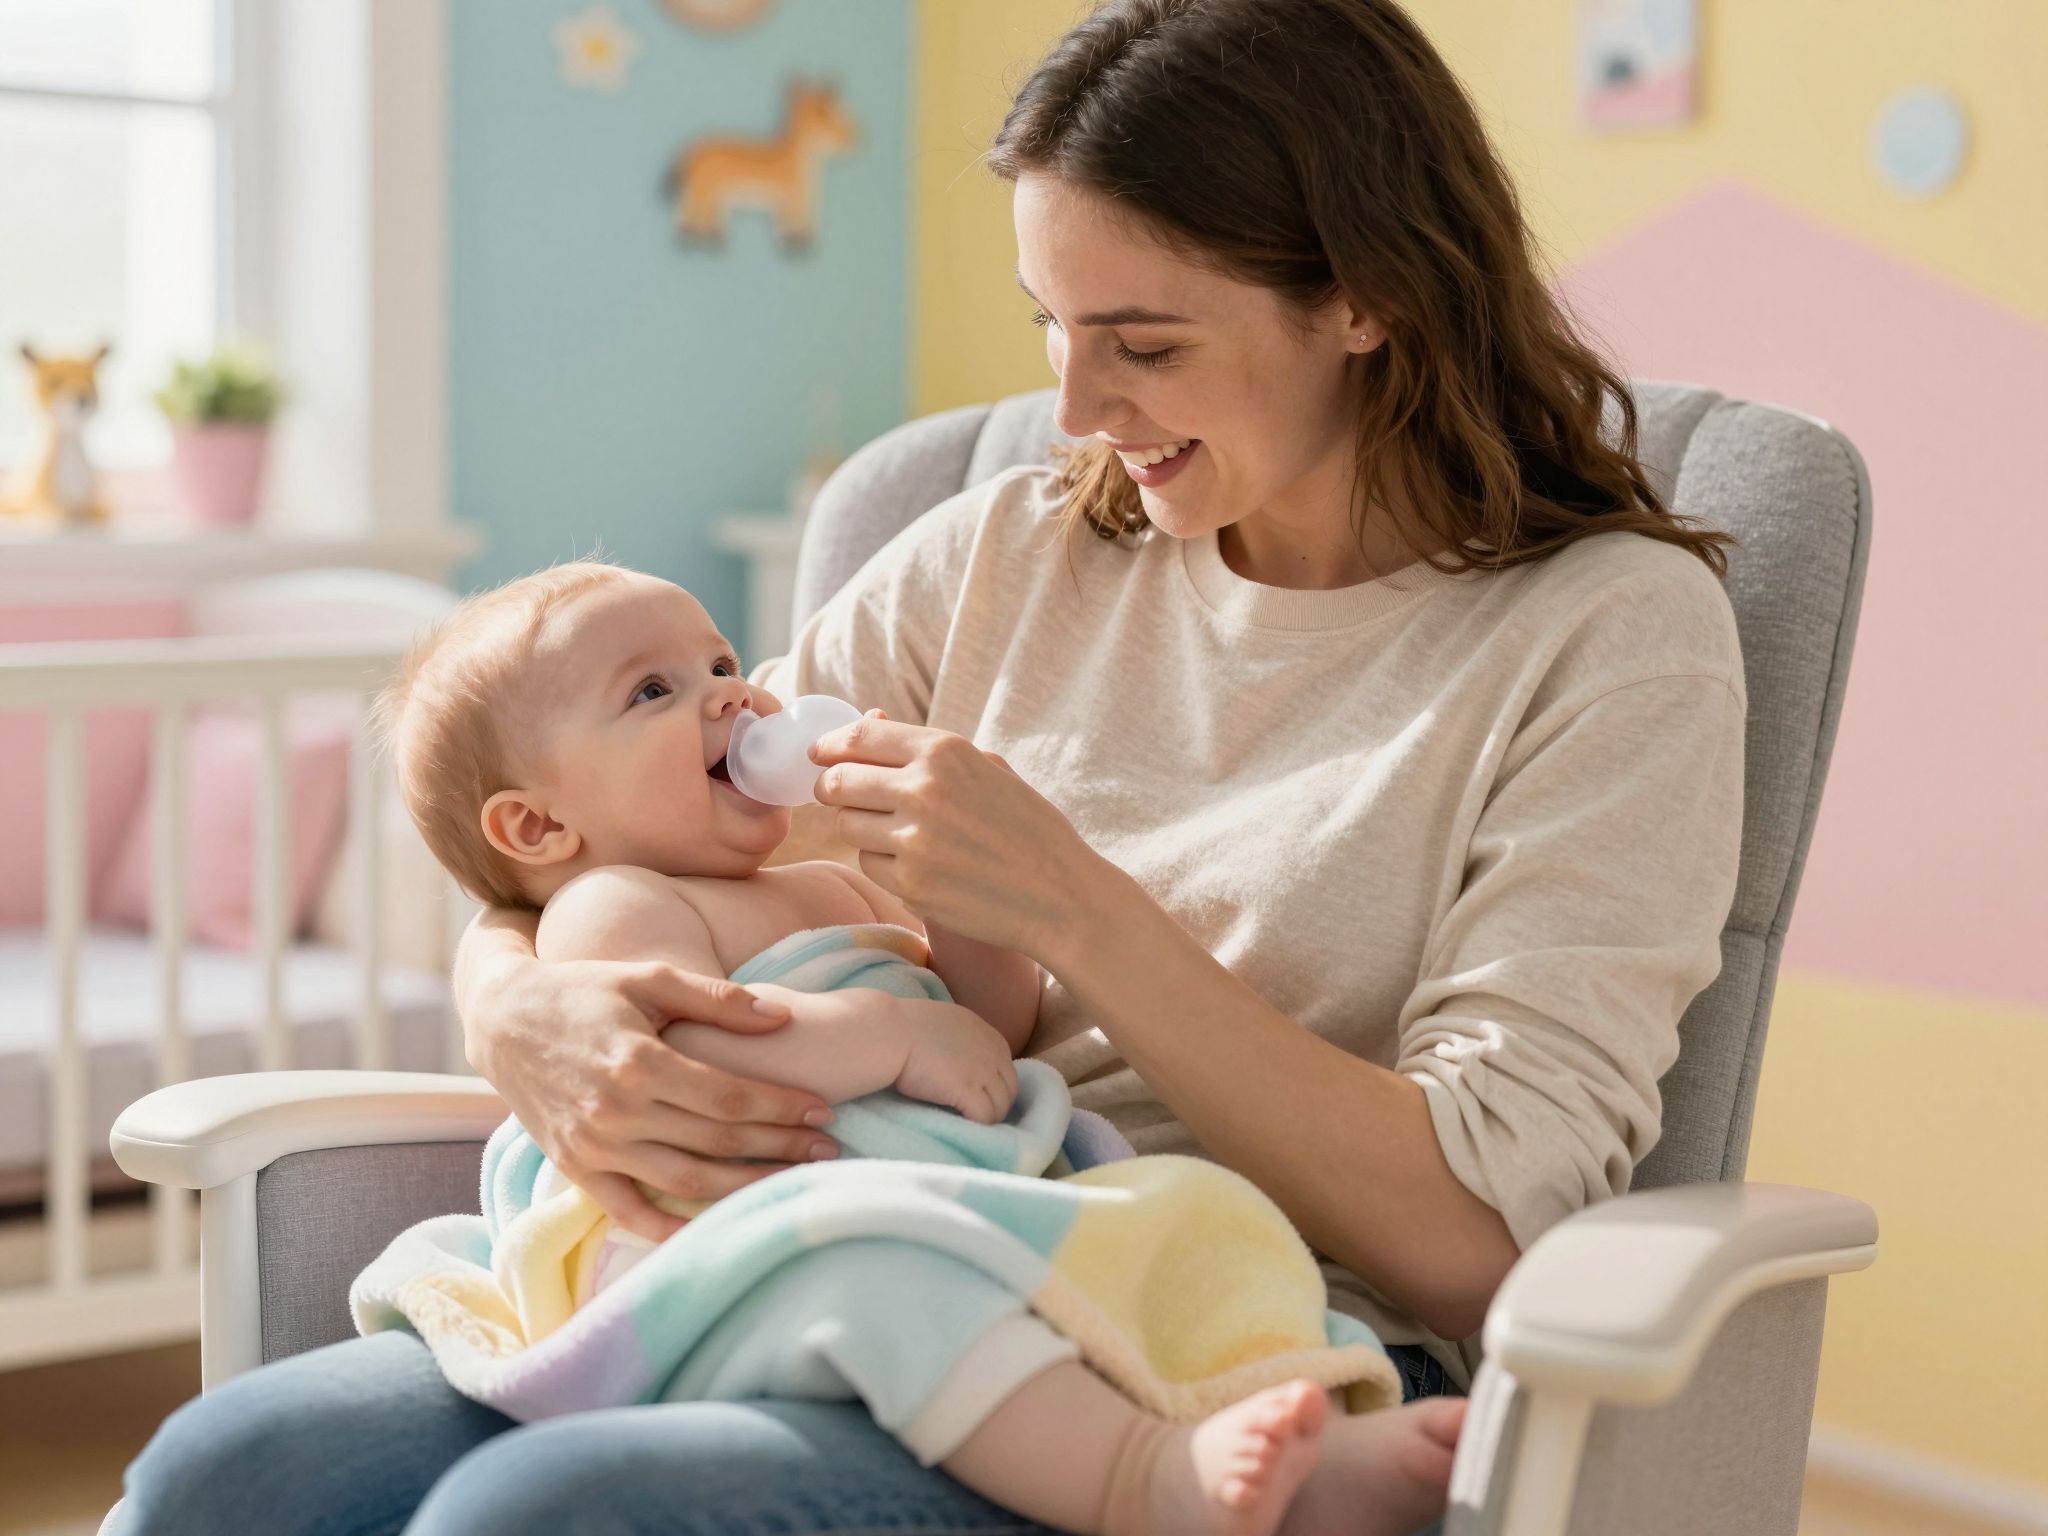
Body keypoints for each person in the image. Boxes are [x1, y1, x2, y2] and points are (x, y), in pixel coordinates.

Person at [118, 0, 1744, 1532]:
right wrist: (516, 1004)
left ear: (1364, 296)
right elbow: (615, 826)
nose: (1076, 406)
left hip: (1227, 1341)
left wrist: (1078, 911)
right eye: (1052, 326)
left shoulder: (1605, 637)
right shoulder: (1006, 557)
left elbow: (1479, 1239)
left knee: (537, 1515)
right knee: (227, 1470)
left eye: (1141, 343)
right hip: (867, 1229)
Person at [341, 555, 1467, 1536]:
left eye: (721, 660)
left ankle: (1296, 1410)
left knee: (1178, 1208)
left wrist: (974, 905)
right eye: (653, 690)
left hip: (885, 1207)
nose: (733, 692)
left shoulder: (826, 884)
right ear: (539, 826)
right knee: (883, 1279)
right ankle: (1144, 1477)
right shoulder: (611, 907)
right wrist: (881, 1034)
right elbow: (691, 1073)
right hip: (715, 1249)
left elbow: (984, 1035)